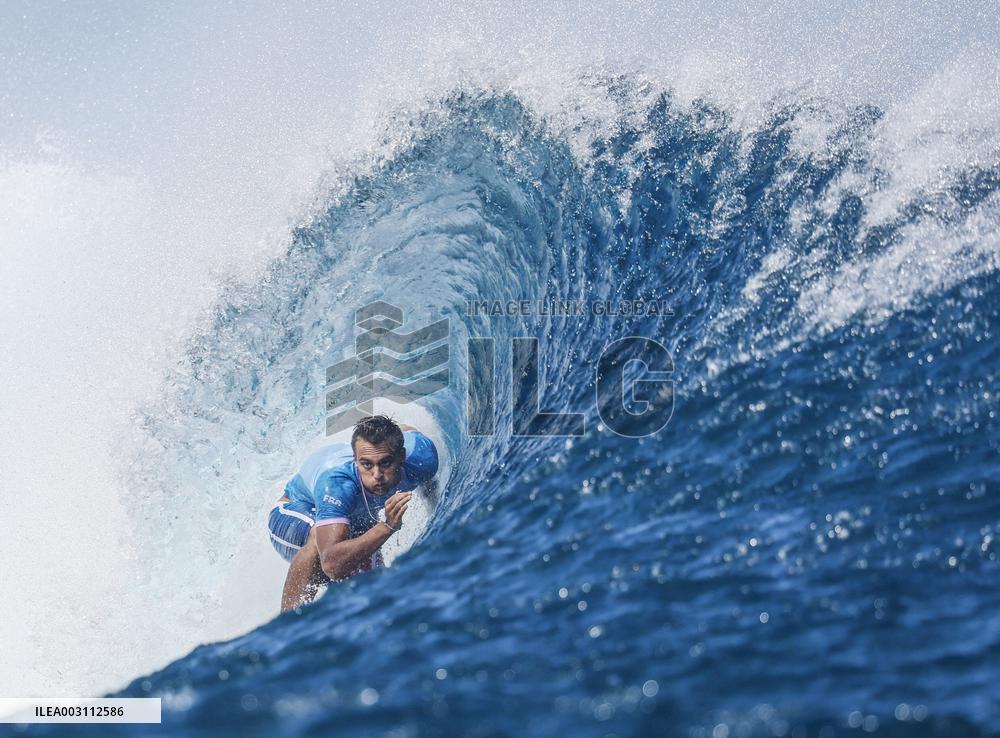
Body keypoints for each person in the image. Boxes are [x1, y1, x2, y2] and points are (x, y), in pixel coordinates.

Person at [268, 414, 439, 611]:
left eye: (385, 463)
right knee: (322, 542)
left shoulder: (421, 457)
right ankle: (289, 625)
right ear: (356, 461)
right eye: (366, 464)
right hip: (291, 515)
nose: (377, 475)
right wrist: (387, 526)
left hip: (351, 519)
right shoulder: (338, 484)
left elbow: (408, 430)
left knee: (370, 580)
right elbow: (331, 564)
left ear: (401, 456)